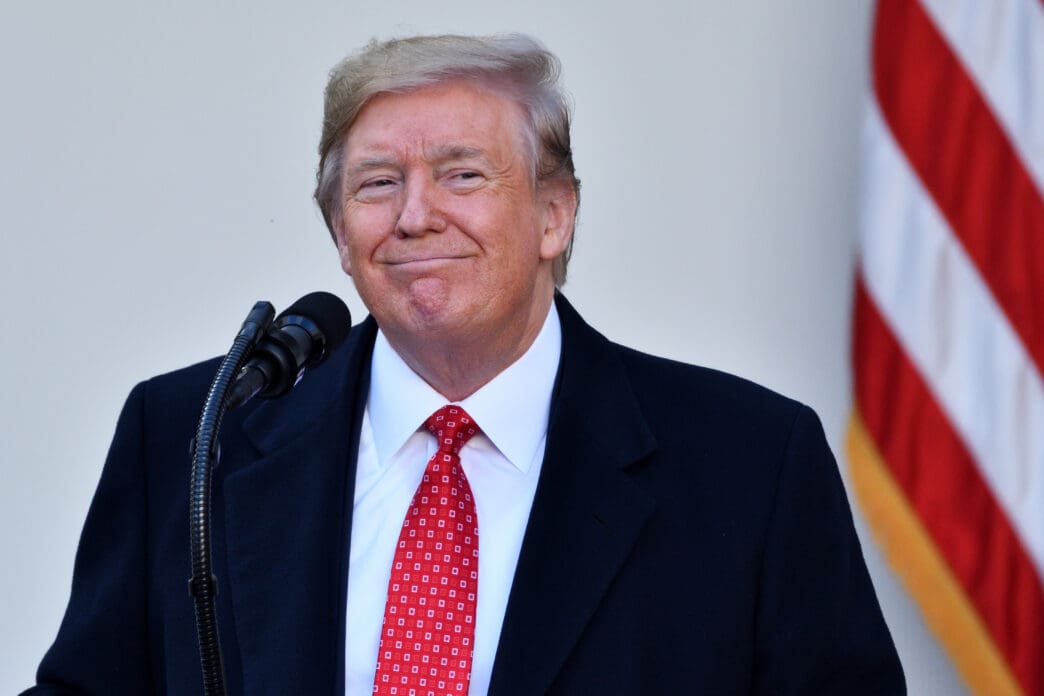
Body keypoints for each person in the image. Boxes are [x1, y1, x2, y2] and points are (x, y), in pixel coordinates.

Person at [25, 34, 905, 695]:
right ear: (339, 232)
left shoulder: (750, 462)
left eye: (462, 176)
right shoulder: (194, 436)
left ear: (555, 216)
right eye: (376, 184)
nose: (415, 217)